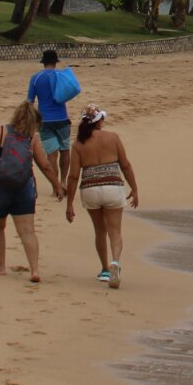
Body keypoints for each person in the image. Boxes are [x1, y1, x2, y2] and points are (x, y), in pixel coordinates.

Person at [0, 99, 65, 283]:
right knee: (27, 231)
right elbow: (45, 166)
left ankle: (1, 267)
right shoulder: (32, 138)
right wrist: (56, 185)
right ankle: (34, 270)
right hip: (23, 188)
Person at [62, 106, 139, 288]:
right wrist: (134, 189)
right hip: (112, 186)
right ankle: (116, 263)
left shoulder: (78, 144)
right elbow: (125, 165)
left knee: (100, 231)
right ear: (99, 121)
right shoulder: (113, 137)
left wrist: (69, 204)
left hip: (90, 189)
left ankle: (104, 270)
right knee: (115, 232)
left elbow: (73, 176)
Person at [27, 49, 80, 187]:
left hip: (45, 121)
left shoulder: (36, 78)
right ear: (55, 63)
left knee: (51, 154)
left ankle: (55, 185)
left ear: (43, 62)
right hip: (62, 119)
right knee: (65, 150)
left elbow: (30, 102)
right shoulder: (60, 76)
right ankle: (63, 181)